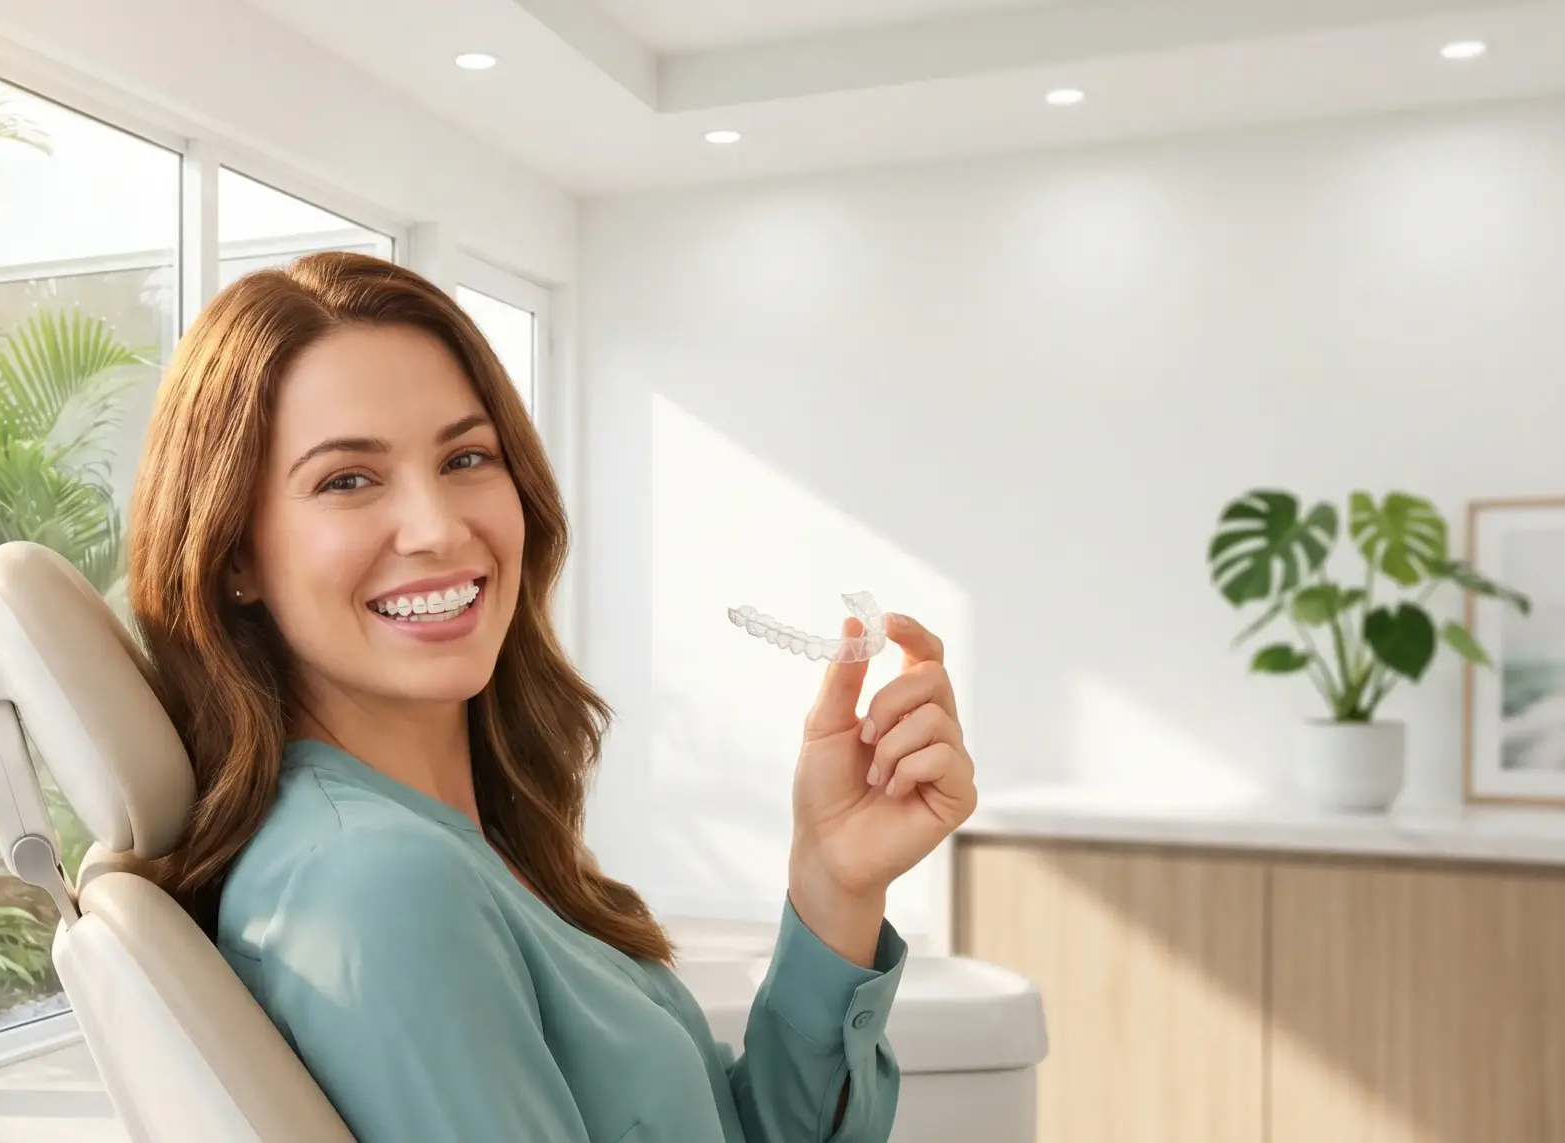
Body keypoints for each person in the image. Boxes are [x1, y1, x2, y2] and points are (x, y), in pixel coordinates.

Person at [127, 251, 977, 1142]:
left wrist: (835, 882)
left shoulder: (468, 843)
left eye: (466, 457)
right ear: (234, 556)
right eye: (348, 478)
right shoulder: (380, 885)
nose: (439, 527)